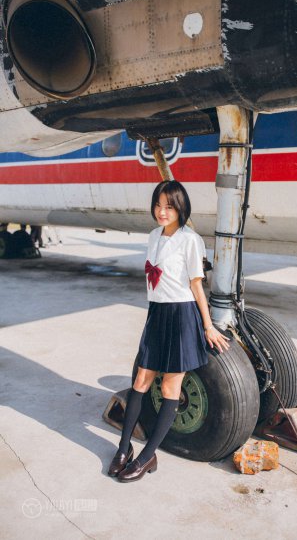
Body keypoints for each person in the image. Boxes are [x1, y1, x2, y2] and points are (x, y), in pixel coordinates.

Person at [108, 180, 230, 483]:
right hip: (157, 314)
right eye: (158, 205)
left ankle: (147, 456)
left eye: (169, 206)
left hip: (181, 315)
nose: (162, 211)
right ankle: (123, 450)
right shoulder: (153, 236)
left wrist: (207, 325)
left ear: (180, 208)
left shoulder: (190, 240)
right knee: (140, 380)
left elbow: (196, 285)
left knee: (168, 389)